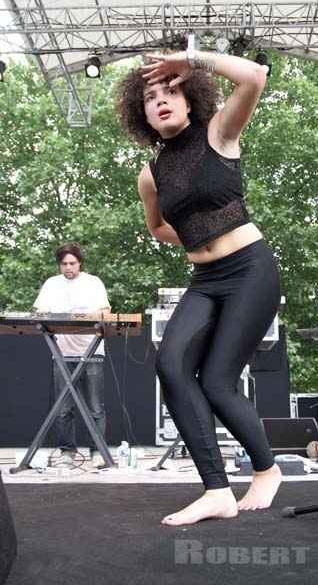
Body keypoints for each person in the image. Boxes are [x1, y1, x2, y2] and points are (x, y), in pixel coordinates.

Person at [115, 47, 282, 525]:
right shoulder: (150, 176)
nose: (161, 100)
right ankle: (216, 490)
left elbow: (252, 76)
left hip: (251, 270)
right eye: (150, 97)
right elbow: (157, 227)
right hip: (206, 280)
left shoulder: (219, 133)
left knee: (217, 380)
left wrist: (191, 58)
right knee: (170, 365)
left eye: (170, 90)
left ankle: (266, 470)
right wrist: (197, 239)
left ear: (190, 100)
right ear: (142, 113)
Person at [33, 242, 111, 468]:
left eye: (72, 263)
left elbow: (105, 312)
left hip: (91, 350)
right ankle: (67, 453)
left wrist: (82, 315)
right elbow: (40, 311)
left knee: (96, 407)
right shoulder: (51, 284)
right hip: (62, 352)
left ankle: (98, 452)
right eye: (64, 264)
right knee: (64, 406)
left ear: (80, 263)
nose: (68, 267)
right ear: (59, 265)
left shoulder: (93, 282)